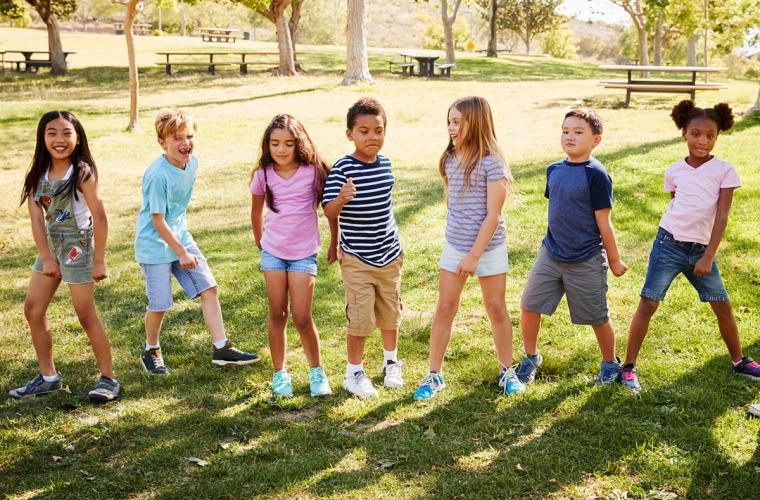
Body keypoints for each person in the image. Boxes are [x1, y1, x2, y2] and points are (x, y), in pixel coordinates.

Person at [620, 100, 760, 392]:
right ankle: (628, 367)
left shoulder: (725, 171)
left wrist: (708, 255)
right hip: (668, 243)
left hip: (701, 251)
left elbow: (721, 216)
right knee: (649, 302)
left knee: (722, 305)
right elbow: (674, 201)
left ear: (717, 136)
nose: (703, 140)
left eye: (710, 135)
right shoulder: (674, 170)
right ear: (684, 132)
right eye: (696, 133)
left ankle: (740, 361)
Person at [413, 96, 523, 400]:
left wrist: (475, 255)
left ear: (476, 122)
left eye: (458, 121)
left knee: (496, 308)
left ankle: (507, 372)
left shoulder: (493, 162)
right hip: (455, 246)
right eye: (449, 121)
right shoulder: (449, 159)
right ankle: (434, 375)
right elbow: (453, 202)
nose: (451, 127)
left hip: (488, 248)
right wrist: (462, 249)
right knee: (445, 308)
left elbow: (493, 214)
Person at [135, 108, 259, 375]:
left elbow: (176, 211)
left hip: (180, 237)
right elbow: (157, 220)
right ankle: (150, 350)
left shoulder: (192, 163)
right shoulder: (157, 176)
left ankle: (222, 348)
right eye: (177, 138)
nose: (185, 143)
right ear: (162, 143)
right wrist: (181, 252)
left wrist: (182, 245)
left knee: (209, 288)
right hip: (155, 246)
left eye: (189, 136)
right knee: (160, 304)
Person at [10, 111, 120, 402]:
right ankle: (48, 377)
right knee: (33, 309)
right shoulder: (37, 175)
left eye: (66, 133)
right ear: (42, 137)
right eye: (52, 133)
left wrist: (99, 259)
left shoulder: (82, 172)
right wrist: (46, 257)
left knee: (84, 313)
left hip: (78, 245)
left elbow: (100, 216)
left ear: (78, 137)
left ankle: (108, 379)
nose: (59, 139)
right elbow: (36, 220)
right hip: (51, 246)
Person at [517, 108, 628, 388]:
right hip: (551, 253)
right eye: (566, 131)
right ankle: (530, 358)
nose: (570, 136)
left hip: (586, 258)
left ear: (596, 140)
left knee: (597, 316)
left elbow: (605, 223)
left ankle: (609, 363)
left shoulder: (596, 175)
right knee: (529, 305)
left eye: (578, 132)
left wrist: (614, 261)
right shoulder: (554, 170)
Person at [323, 97, 404, 398]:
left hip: (390, 254)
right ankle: (353, 372)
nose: (372, 137)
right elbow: (329, 211)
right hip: (357, 257)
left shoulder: (386, 164)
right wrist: (342, 198)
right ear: (350, 134)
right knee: (360, 317)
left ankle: (391, 362)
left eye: (378, 130)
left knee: (390, 312)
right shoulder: (343, 167)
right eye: (364, 130)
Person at [250, 114, 336, 398]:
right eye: (275, 143)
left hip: (303, 254)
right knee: (277, 313)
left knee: (301, 316)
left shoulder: (313, 172)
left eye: (288, 143)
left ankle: (316, 371)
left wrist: (335, 241)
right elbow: (256, 211)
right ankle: (280, 373)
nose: (281, 150)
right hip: (273, 254)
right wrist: (260, 242)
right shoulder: (263, 174)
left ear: (298, 143)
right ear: (267, 145)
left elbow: (330, 209)